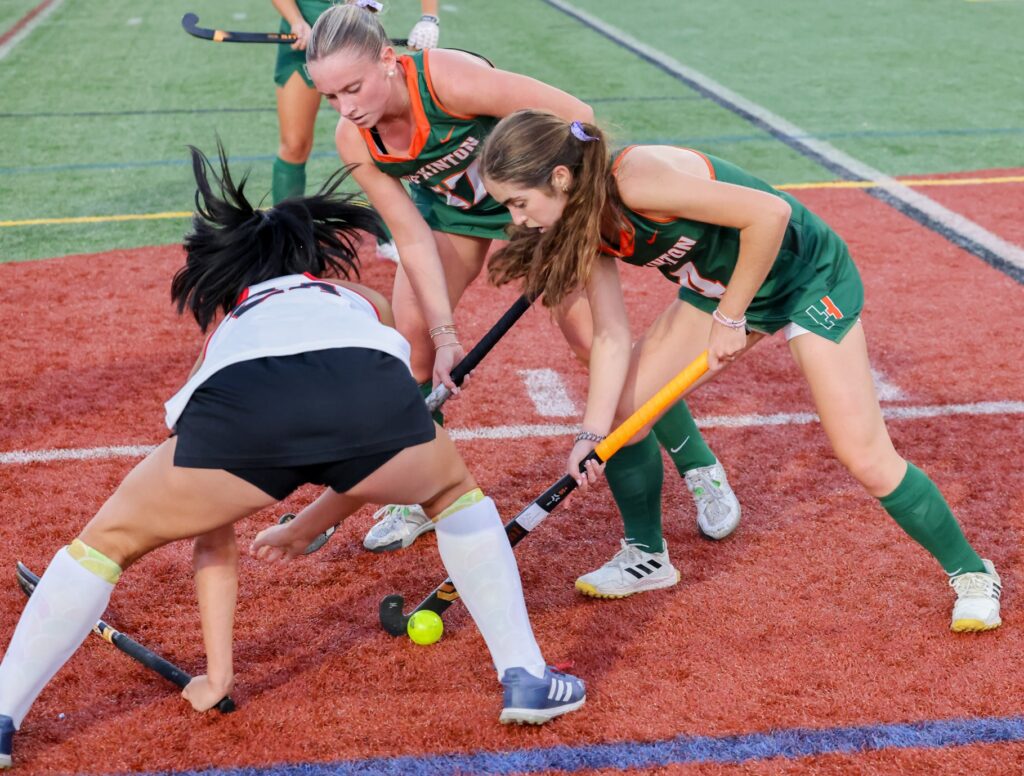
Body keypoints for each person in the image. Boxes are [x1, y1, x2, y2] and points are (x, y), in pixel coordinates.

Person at [0, 147, 585, 770]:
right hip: (371, 402)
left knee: (105, 544)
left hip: (243, 415)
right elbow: (366, 451)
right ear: (312, 257)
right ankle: (524, 675)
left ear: (234, 274)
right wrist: (313, 521)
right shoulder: (361, 300)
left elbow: (212, 534)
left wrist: (218, 674)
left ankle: (4, 714)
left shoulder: (229, 331)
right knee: (455, 498)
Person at [476, 109, 1003, 629]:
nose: (518, 220)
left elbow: (768, 214)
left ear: (561, 177)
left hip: (806, 279)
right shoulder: (583, 223)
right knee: (622, 413)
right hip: (722, 291)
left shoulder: (636, 182)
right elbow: (611, 336)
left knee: (863, 454)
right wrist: (590, 434)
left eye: (520, 202)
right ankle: (647, 557)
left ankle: (972, 572)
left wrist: (732, 316)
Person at [287, 1, 741, 575]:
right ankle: (421, 494)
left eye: (353, 88)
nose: (346, 108)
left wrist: (563, 222)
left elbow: (578, 116)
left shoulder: (447, 80)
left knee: (593, 339)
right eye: (330, 96)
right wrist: (447, 333)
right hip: (452, 218)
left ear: (387, 58)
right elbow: (412, 237)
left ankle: (696, 465)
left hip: (532, 206)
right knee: (414, 338)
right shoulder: (357, 139)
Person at [270, 0, 440, 261]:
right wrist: (295, 20)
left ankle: (391, 232)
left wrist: (429, 19)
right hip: (305, 36)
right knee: (294, 144)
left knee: (377, 138)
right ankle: (287, 241)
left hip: (357, 36)